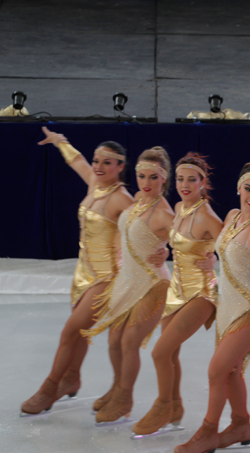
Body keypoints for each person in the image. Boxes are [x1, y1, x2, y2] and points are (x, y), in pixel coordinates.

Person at [21, 128, 133, 415]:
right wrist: (61, 142)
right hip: (83, 272)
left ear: (120, 166)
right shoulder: (95, 182)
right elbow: (77, 161)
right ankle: (71, 378)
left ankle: (49, 388)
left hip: (107, 278)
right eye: (97, 160)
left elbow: (146, 227)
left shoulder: (122, 199)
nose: (98, 166)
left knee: (70, 333)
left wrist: (161, 250)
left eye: (107, 162)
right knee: (80, 332)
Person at [174, 160, 250, 453]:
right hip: (227, 307)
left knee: (216, 370)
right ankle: (241, 425)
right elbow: (223, 247)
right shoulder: (232, 216)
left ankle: (208, 433)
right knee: (230, 372)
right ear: (238, 188)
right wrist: (211, 259)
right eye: (249, 188)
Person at [81, 147, 175, 424]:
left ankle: (124, 399)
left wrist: (170, 251)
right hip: (127, 281)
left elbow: (190, 241)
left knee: (128, 341)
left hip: (152, 284)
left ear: (164, 179)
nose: (146, 183)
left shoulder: (164, 213)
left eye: (153, 177)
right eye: (142, 176)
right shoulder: (137, 200)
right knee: (113, 341)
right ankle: (117, 387)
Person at [132, 153, 223, 436]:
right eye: (181, 179)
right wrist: (163, 252)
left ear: (202, 182)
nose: (184, 185)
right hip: (176, 290)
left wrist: (215, 259)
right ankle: (175, 407)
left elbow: (233, 245)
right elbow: (175, 240)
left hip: (202, 293)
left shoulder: (207, 217)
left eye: (191, 180)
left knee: (159, 352)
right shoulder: (179, 208)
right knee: (170, 354)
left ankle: (163, 406)